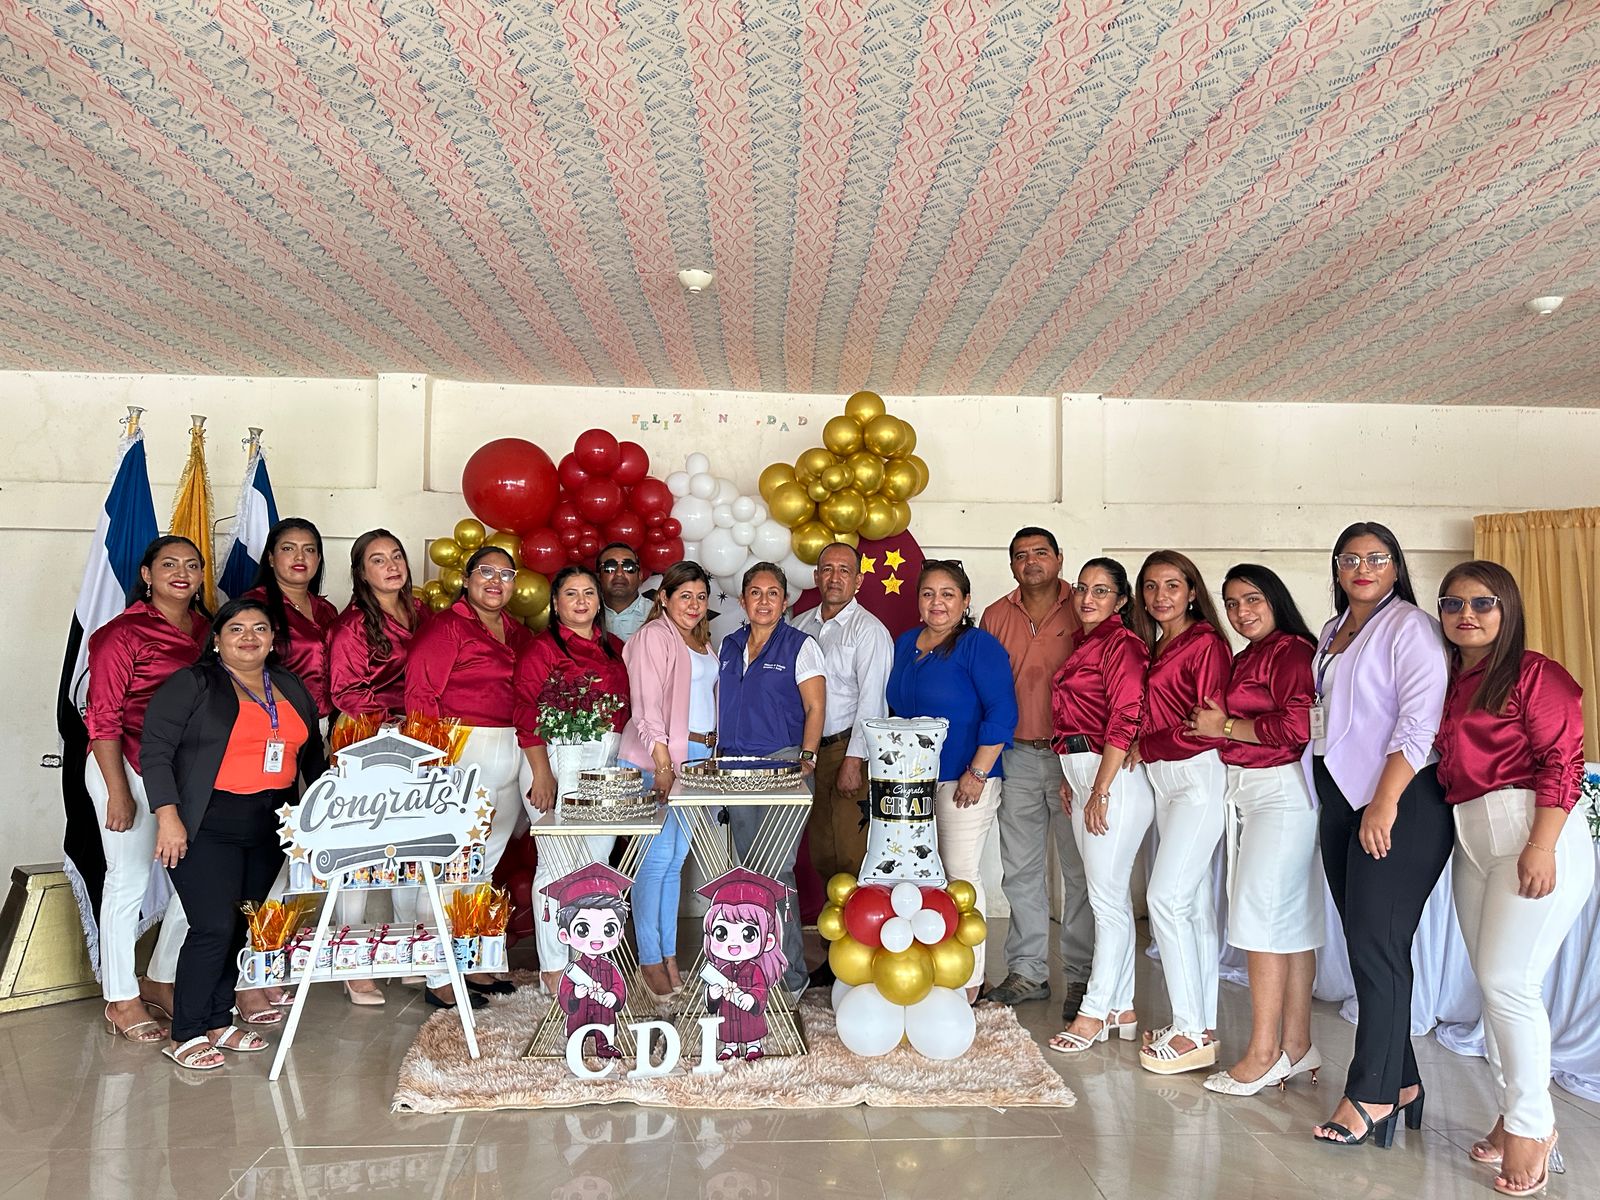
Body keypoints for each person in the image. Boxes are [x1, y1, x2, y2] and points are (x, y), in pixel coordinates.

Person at [1434, 561, 1591, 1196]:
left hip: (1531, 828)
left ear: (1508, 609)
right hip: (1472, 835)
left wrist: (1542, 844)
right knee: (1493, 985)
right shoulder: (1449, 680)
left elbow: (1563, 759)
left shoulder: (1535, 673)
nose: (1466, 614)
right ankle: (1510, 1111)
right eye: (1453, 604)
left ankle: (1532, 1126)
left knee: (1509, 982)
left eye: (1482, 603)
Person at [1309, 522, 1450, 1148]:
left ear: (1396, 566)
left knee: (1378, 947)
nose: (1362, 568)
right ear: (1337, 568)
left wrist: (1384, 802)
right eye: (1350, 558)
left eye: (1377, 557)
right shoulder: (1331, 631)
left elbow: (1420, 722)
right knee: (1367, 945)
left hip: (1399, 800)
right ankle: (1405, 1080)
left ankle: (1370, 1092)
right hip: (1342, 798)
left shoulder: (1411, 627)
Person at [140, 598, 325, 1070]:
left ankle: (218, 1020)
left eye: (260, 628)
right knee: (213, 925)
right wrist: (168, 817)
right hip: (206, 820)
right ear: (217, 639)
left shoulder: (288, 685)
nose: (249, 637)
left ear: (272, 639)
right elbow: (156, 751)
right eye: (236, 628)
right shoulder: (193, 683)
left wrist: (323, 815)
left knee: (242, 923)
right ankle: (186, 1032)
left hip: (269, 821)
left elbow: (312, 758)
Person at [1189, 565, 1323, 1095]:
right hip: (1253, 791)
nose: (1241, 612)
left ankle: (1264, 1054)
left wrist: (1223, 726)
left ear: (1275, 599)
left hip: (1280, 791)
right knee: (1290, 923)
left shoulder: (1291, 650)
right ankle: (1297, 1044)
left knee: (1260, 920)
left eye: (1252, 599)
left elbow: (1297, 725)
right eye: (1231, 603)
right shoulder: (1249, 655)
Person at [83, 535, 207, 1044]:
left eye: (192, 565)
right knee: (127, 880)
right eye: (169, 564)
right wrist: (118, 791)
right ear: (146, 575)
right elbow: (102, 718)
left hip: (188, 773)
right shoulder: (120, 634)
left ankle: (160, 978)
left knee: (198, 882)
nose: (181, 573)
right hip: (127, 764)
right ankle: (120, 996)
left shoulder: (208, 630)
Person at [405, 544, 533, 1009]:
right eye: (486, 571)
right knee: (449, 867)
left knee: (485, 864)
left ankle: (470, 959)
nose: (496, 581)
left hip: (512, 748)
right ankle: (437, 972)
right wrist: (433, 766)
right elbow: (420, 695)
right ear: (466, 578)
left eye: (506, 573)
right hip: (462, 749)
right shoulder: (448, 627)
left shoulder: (517, 632)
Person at [886, 560, 1017, 1003]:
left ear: (965, 601)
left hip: (964, 779)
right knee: (920, 875)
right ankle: (931, 964)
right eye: (928, 594)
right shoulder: (906, 643)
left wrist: (977, 772)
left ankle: (971, 978)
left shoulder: (979, 646)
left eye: (947, 594)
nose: (937, 603)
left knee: (959, 874)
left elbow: (1002, 711)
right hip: (911, 782)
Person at [1126, 551, 1232, 1075]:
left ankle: (1190, 1030)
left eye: (1172, 585)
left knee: (1164, 899)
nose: (1160, 596)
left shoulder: (1205, 643)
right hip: (1165, 781)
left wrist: (1146, 746)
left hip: (1195, 776)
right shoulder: (1155, 644)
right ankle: (1199, 1023)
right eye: (1151, 586)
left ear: (1192, 591)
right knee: (1189, 906)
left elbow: (1207, 726)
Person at [979, 526, 1091, 1018]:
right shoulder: (995, 615)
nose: (1031, 562)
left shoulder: (1084, 606)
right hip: (1018, 755)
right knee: (1021, 869)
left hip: (1075, 756)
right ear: (1011, 565)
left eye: (1040, 552)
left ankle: (1084, 976)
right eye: (1020, 555)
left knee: (1079, 869)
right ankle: (1028, 972)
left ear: (1059, 558)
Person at [1046, 559, 1152, 1055]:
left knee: (1106, 903)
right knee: (1107, 898)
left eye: (1102, 591)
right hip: (1083, 772)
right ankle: (1121, 1007)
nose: (1088, 599)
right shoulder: (1085, 642)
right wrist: (1072, 777)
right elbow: (1074, 716)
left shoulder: (1122, 644)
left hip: (1112, 780)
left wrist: (1101, 787)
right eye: (1082, 589)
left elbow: (1126, 716)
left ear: (1122, 600)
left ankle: (1092, 1011)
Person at [512, 564, 630, 995]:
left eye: (588, 593)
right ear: (555, 602)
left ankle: (587, 959)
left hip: (605, 768)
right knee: (557, 865)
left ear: (599, 602)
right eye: (571, 593)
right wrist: (542, 774)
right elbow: (525, 709)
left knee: (595, 867)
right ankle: (553, 967)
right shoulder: (542, 648)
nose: (581, 601)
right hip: (554, 763)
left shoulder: (615, 648)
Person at [325, 528, 426, 1006]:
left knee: (412, 848)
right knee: (359, 854)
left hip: (419, 740)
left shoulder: (422, 612)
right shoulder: (352, 625)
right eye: (378, 560)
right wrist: (393, 720)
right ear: (361, 573)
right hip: (366, 738)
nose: (392, 566)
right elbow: (344, 690)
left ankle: (409, 951)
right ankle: (352, 964)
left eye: (397, 555)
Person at [717, 561, 826, 996]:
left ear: (785, 601)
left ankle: (789, 978)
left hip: (783, 767)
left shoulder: (800, 645)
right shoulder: (728, 645)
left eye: (773, 593)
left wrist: (807, 757)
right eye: (756, 593)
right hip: (736, 770)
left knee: (776, 871)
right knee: (748, 873)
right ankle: (754, 969)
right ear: (742, 600)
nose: (764, 601)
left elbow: (815, 707)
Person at [618, 561, 716, 1003]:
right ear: (663, 597)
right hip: (658, 761)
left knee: (674, 862)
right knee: (654, 862)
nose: (693, 605)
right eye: (685, 596)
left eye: (701, 597)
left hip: (696, 761)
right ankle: (649, 960)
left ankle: (670, 956)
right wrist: (662, 763)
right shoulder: (653, 637)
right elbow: (646, 706)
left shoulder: (700, 640)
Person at [793, 543, 892, 945]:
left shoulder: (869, 631)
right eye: (828, 569)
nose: (835, 578)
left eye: (844, 570)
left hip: (845, 749)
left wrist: (855, 760)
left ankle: (857, 948)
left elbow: (873, 702)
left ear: (859, 580)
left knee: (850, 854)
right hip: (806, 753)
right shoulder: (799, 625)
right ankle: (834, 947)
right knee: (821, 851)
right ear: (816, 577)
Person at [244, 518, 338, 724]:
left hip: (329, 722)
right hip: (275, 722)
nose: (300, 557)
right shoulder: (252, 607)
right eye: (288, 548)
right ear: (271, 558)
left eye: (309, 550)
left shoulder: (327, 610)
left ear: (318, 559)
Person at [699, 868, 791, 1062]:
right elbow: (712, 1000)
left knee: (750, 1028)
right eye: (721, 933)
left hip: (748, 1012)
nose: (733, 943)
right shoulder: (722, 970)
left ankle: (753, 1045)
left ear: (768, 941)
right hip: (727, 1012)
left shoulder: (755, 970)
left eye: (748, 934)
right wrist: (712, 994)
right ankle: (730, 1047)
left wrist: (752, 998)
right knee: (728, 1029)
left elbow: (760, 989)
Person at [550, 863, 632, 1061]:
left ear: (620, 933)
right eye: (583, 930)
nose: (597, 939)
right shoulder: (574, 970)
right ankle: (575, 1045)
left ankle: (605, 1045)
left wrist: (613, 996)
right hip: (581, 1010)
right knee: (578, 1026)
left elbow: (618, 986)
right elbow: (565, 991)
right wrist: (575, 993)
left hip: (603, 1011)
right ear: (564, 935)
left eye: (608, 929)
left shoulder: (610, 967)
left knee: (605, 1024)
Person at [598, 542, 652, 641]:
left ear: (640, 576)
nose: (619, 573)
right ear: (599, 576)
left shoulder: (659, 614)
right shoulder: (584, 612)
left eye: (629, 567)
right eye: (610, 567)